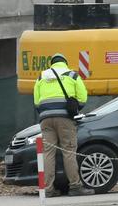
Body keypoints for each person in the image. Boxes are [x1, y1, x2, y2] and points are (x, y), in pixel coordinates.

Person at [33, 53, 90, 196]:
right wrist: (73, 109)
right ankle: (75, 187)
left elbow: (36, 102)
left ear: (51, 63)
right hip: (65, 119)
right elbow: (82, 98)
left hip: (45, 119)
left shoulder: (41, 77)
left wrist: (46, 111)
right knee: (69, 151)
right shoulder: (72, 75)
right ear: (65, 62)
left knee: (48, 153)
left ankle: (48, 189)